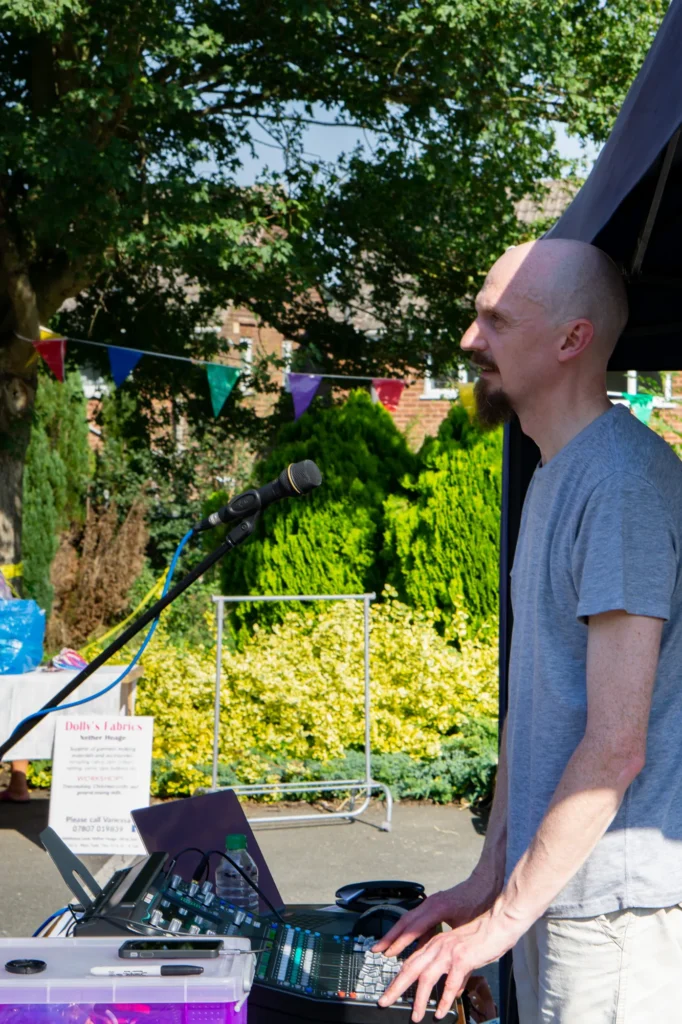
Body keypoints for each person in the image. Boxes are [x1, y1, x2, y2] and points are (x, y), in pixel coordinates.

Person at [374, 238, 682, 1023]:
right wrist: (488, 883)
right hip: (553, 893)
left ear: (571, 340)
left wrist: (498, 926)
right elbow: (535, 712)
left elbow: (616, 744)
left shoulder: (619, 486)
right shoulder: (556, 470)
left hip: (614, 913)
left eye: (496, 321)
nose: (472, 341)